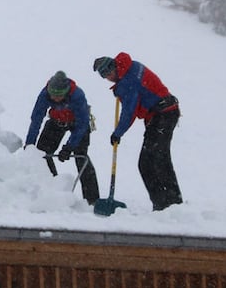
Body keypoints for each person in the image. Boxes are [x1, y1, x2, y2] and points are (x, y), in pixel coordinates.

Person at [93, 53, 183, 211]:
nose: (108, 78)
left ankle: (167, 204)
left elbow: (130, 111)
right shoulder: (131, 66)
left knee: (150, 161)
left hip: (163, 114)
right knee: (157, 159)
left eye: (108, 74)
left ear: (114, 66)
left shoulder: (127, 81)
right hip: (163, 113)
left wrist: (118, 133)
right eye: (104, 76)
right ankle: (169, 203)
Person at [23, 71, 101, 205]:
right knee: (42, 154)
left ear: (66, 92)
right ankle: (52, 188)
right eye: (53, 95)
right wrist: (30, 144)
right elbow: (36, 119)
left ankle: (92, 199)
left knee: (81, 157)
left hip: (78, 123)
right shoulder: (45, 94)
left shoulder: (77, 95)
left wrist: (69, 147)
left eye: (59, 96)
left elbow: (82, 125)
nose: (55, 98)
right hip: (57, 121)